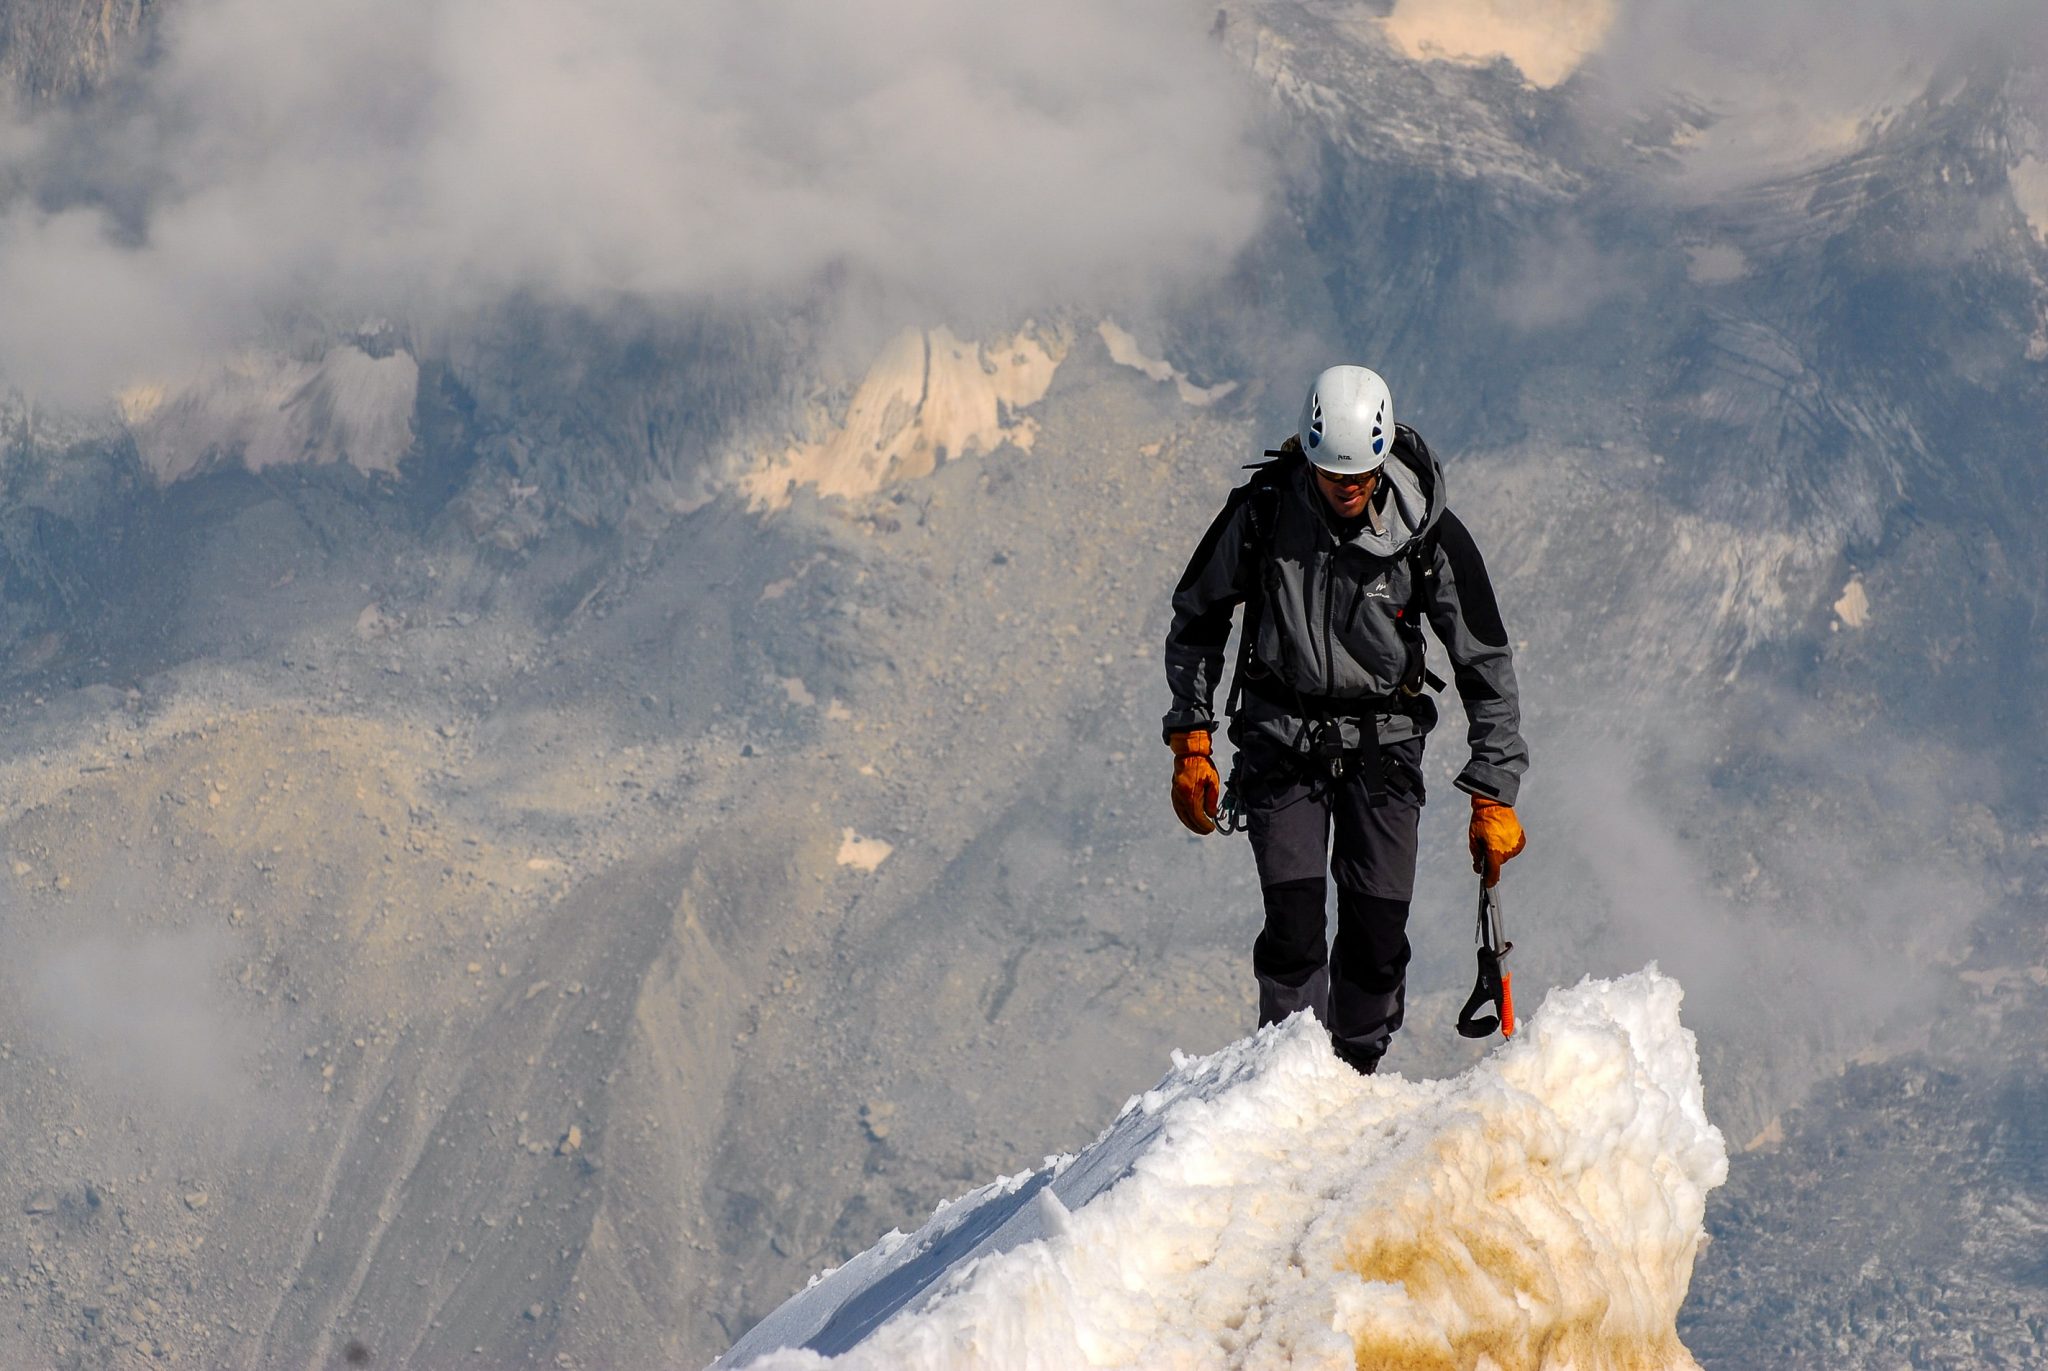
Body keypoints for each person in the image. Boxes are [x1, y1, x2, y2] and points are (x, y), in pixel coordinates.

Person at [1161, 365, 1529, 1074]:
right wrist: (1192, 739)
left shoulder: (1427, 532)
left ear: (1382, 458)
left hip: (1384, 748)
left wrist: (1494, 792)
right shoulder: (1264, 513)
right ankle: (1290, 1081)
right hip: (1280, 743)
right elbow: (1198, 615)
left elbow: (1486, 662)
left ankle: (1355, 1072)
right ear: (1310, 455)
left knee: (1376, 936)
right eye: (1334, 475)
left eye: (1360, 475)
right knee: (1294, 929)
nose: (1348, 489)